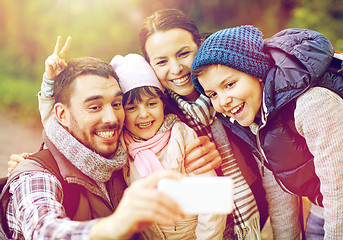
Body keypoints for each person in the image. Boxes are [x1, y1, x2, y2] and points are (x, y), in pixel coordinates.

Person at [3, 37, 186, 239]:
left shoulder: (125, 156)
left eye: (117, 104)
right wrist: (114, 225)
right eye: (94, 107)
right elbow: (43, 230)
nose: (111, 118)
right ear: (62, 115)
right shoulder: (37, 176)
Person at [191, 25, 343, 239]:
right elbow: (279, 191)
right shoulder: (257, 120)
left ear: (257, 74)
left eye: (230, 84)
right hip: (323, 206)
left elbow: (339, 189)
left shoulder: (313, 105)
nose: (223, 101)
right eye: (213, 94)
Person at [139, 8, 267, 239]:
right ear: (150, 66)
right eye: (161, 62)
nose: (176, 69)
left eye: (183, 53)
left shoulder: (234, 84)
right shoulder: (159, 115)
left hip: (260, 207)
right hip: (209, 228)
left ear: (199, 45)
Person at [110, 53, 226, 239]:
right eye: (132, 108)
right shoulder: (122, 144)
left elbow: (210, 200)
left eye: (151, 103)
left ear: (163, 102)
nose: (144, 114)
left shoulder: (180, 135)